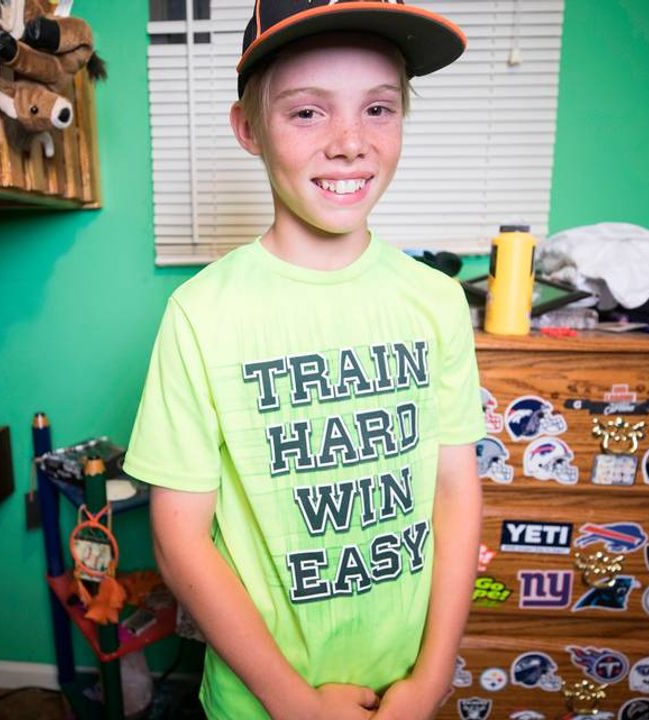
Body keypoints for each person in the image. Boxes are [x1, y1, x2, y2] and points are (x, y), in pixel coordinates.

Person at [125, 2, 485, 718]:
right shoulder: (202, 314)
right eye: (307, 113)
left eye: (378, 108)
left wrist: (431, 678)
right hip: (263, 700)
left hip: (401, 689)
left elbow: (455, 492)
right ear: (248, 128)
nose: (350, 143)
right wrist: (297, 705)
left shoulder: (437, 300)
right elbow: (179, 539)